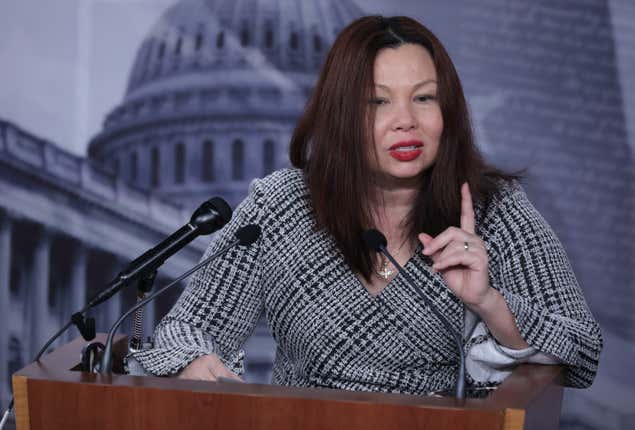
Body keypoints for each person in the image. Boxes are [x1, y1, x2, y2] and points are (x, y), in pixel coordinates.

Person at [134, 16, 602, 393]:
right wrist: (195, 361)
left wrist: (489, 302)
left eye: (424, 98)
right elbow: (189, 326)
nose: (405, 122)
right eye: (377, 103)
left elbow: (581, 348)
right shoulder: (281, 205)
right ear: (341, 116)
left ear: (449, 112)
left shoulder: (495, 211)